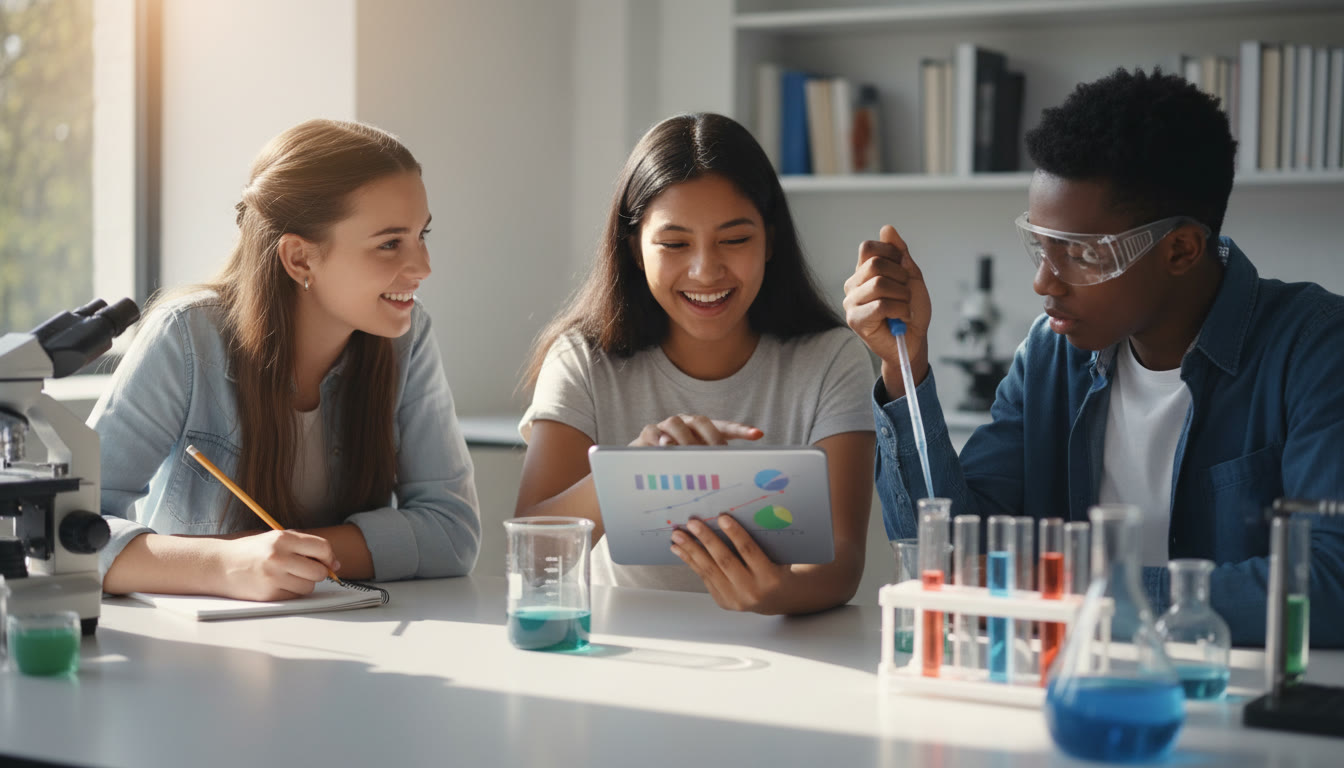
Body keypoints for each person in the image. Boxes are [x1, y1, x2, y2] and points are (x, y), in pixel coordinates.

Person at [843, 68, 1344, 647]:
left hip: (1238, 706)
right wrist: (905, 366)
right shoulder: (1050, 356)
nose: (1041, 281)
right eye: (1039, 244)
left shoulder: (1316, 350)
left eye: (1080, 254)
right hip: (1072, 691)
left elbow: (1329, 585)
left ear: (1180, 249)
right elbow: (952, 556)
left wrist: (1082, 592)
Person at [92, 119, 481, 600]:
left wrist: (290, 556)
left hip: (358, 641)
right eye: (389, 243)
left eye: (422, 235)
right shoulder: (186, 337)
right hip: (196, 653)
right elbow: (63, 531)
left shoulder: (407, 337)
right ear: (299, 259)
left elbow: (452, 532)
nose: (423, 267)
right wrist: (225, 565)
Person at [515, 113, 875, 615]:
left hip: (782, 659)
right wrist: (633, 472)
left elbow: (843, 562)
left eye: (734, 239)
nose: (706, 270)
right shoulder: (582, 359)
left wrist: (779, 594)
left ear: (770, 241)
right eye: (674, 244)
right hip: (621, 655)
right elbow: (532, 554)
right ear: (635, 249)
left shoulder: (832, 359)